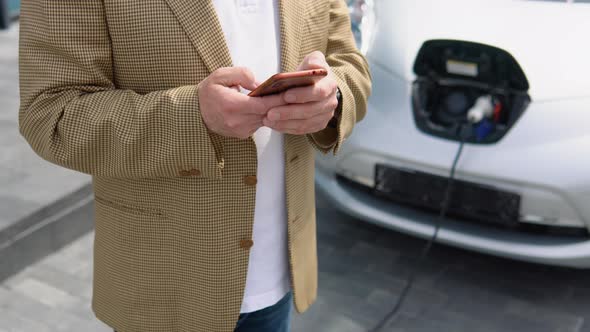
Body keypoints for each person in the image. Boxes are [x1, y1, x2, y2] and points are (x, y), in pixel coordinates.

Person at [18, 0, 371, 331]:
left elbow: (348, 62)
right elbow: (52, 114)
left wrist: (334, 96)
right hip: (164, 291)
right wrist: (194, 118)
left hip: (279, 276)